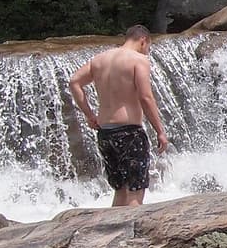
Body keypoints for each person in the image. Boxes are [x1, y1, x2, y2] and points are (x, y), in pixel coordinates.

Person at [66, 26, 170, 208]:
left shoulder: (99, 59)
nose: (147, 51)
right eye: (148, 47)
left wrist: (90, 115)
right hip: (130, 133)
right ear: (143, 41)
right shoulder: (139, 60)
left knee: (120, 190)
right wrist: (160, 131)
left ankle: (114, 233)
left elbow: (74, 82)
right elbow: (145, 97)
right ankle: (131, 234)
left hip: (105, 134)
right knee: (135, 191)